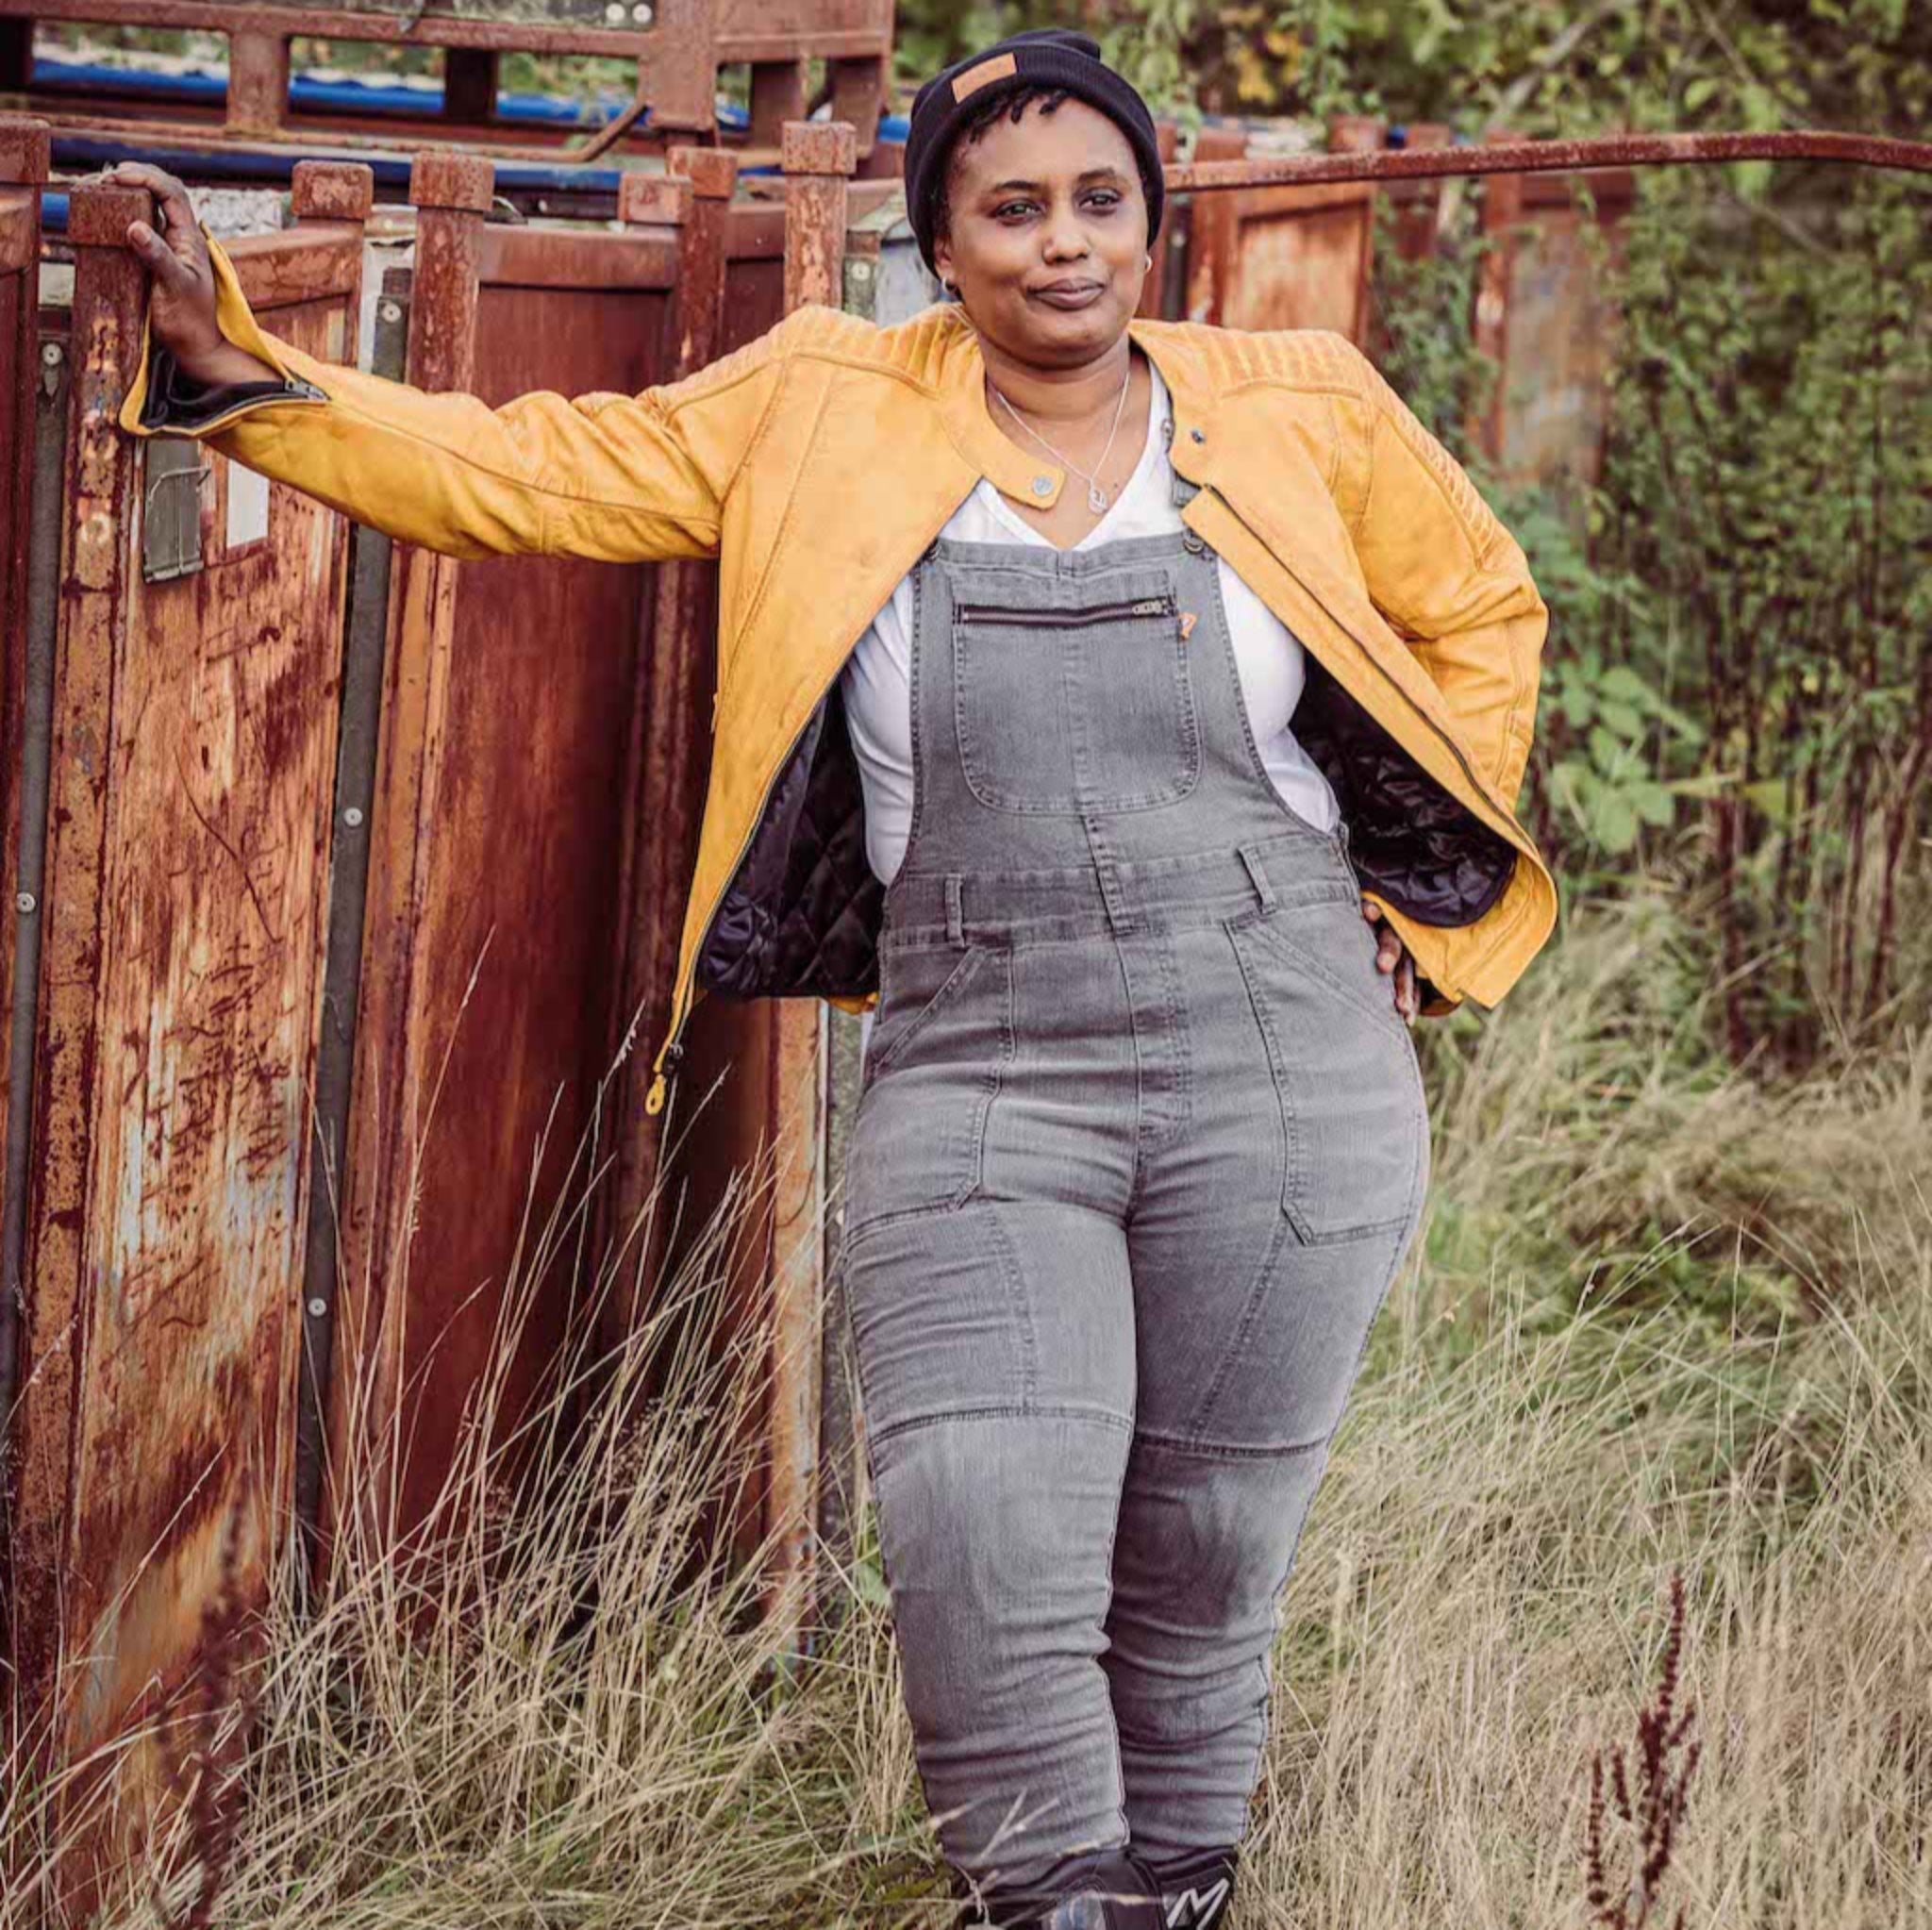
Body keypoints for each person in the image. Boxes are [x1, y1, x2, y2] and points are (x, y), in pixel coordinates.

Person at [106, 27, 1555, 1928]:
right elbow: (539, 471)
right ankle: (1049, 1900)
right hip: (979, 1062)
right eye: (1010, 209)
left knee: (1201, 1549)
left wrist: (1413, 894)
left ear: (1154, 221)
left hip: (1281, 1054)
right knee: (976, 1523)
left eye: (1098, 203)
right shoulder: (824, 401)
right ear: (938, 244)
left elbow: (1479, 608)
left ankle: (1178, 1889)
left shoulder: (1300, 400)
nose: (1062, 246)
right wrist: (251, 372)